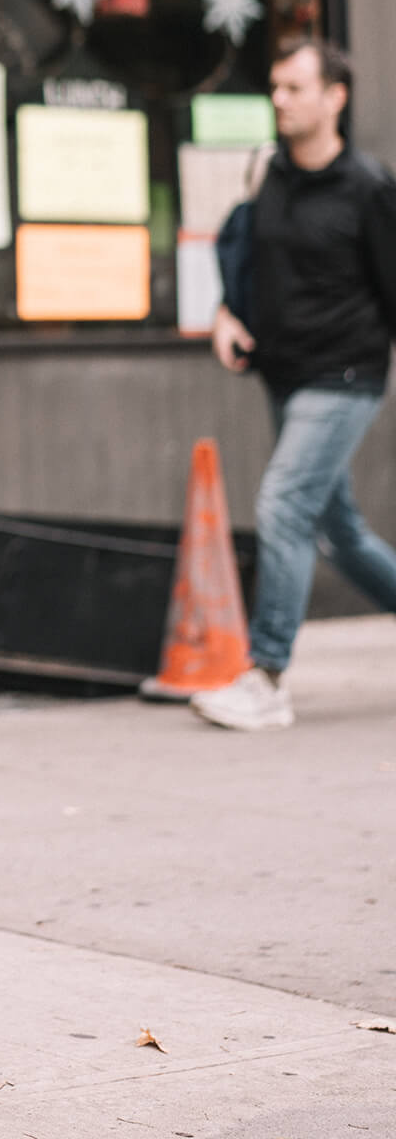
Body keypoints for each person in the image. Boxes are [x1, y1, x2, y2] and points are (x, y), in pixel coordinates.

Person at [195, 36, 396, 732]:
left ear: (334, 97)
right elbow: (243, 259)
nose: (279, 98)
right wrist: (227, 314)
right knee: (338, 528)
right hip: (284, 374)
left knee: (283, 502)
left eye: (294, 87)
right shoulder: (268, 172)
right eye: (275, 87)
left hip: (345, 376)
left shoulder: (370, 186)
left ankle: (266, 675)